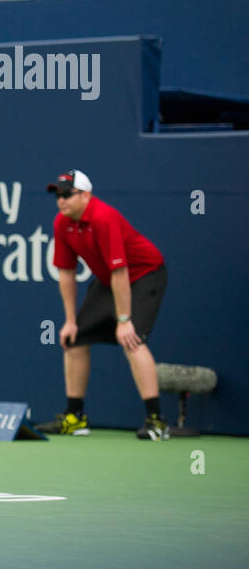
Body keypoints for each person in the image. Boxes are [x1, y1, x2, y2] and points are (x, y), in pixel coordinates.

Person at [35, 170, 171, 441]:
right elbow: (66, 273)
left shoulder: (103, 217)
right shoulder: (62, 223)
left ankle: (157, 422)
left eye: (67, 195)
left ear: (86, 196)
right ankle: (75, 418)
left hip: (144, 274)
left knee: (132, 340)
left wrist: (123, 320)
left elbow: (121, 272)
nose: (60, 201)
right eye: (57, 195)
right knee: (74, 339)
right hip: (109, 279)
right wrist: (70, 320)